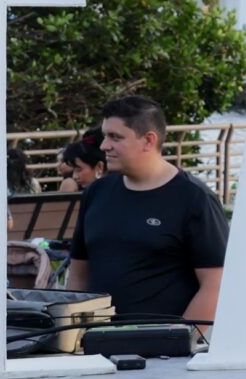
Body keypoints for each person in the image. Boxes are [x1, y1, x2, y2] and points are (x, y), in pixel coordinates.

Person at [66, 95, 228, 333]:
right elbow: (79, 275)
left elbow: (216, 284)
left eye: (115, 137)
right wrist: (71, 336)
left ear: (148, 140)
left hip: (160, 348)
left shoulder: (195, 198)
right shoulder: (96, 193)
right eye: (105, 136)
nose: (103, 146)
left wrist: (178, 341)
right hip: (95, 343)